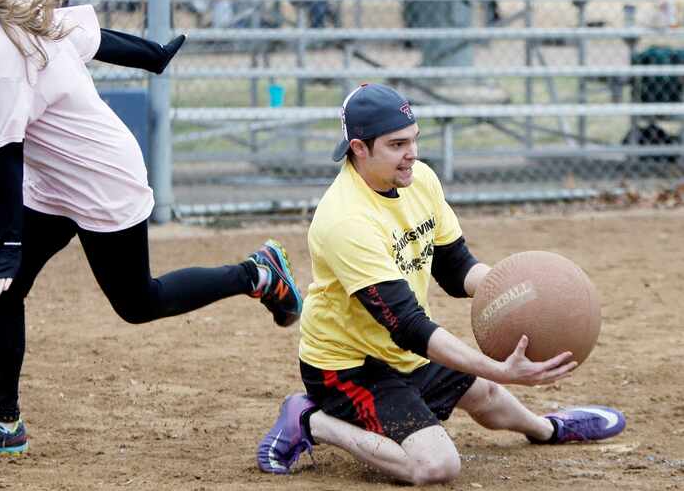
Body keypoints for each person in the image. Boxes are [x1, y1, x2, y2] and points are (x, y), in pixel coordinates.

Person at [0, 0, 304, 458]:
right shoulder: (16, 16)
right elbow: (93, 39)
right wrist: (153, 56)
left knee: (138, 302)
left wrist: (9, 245)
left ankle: (257, 273)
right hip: (54, 181)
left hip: (100, 177)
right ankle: (3, 422)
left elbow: (7, 154)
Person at [255, 83, 626, 484]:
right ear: (359, 149)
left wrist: (525, 288)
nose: (411, 154)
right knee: (436, 466)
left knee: (484, 395)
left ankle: (549, 428)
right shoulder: (345, 220)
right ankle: (311, 420)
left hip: (399, 350)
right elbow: (408, 326)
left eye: (414, 140)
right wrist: (500, 368)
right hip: (348, 367)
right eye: (397, 145)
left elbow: (455, 268)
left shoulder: (419, 180)